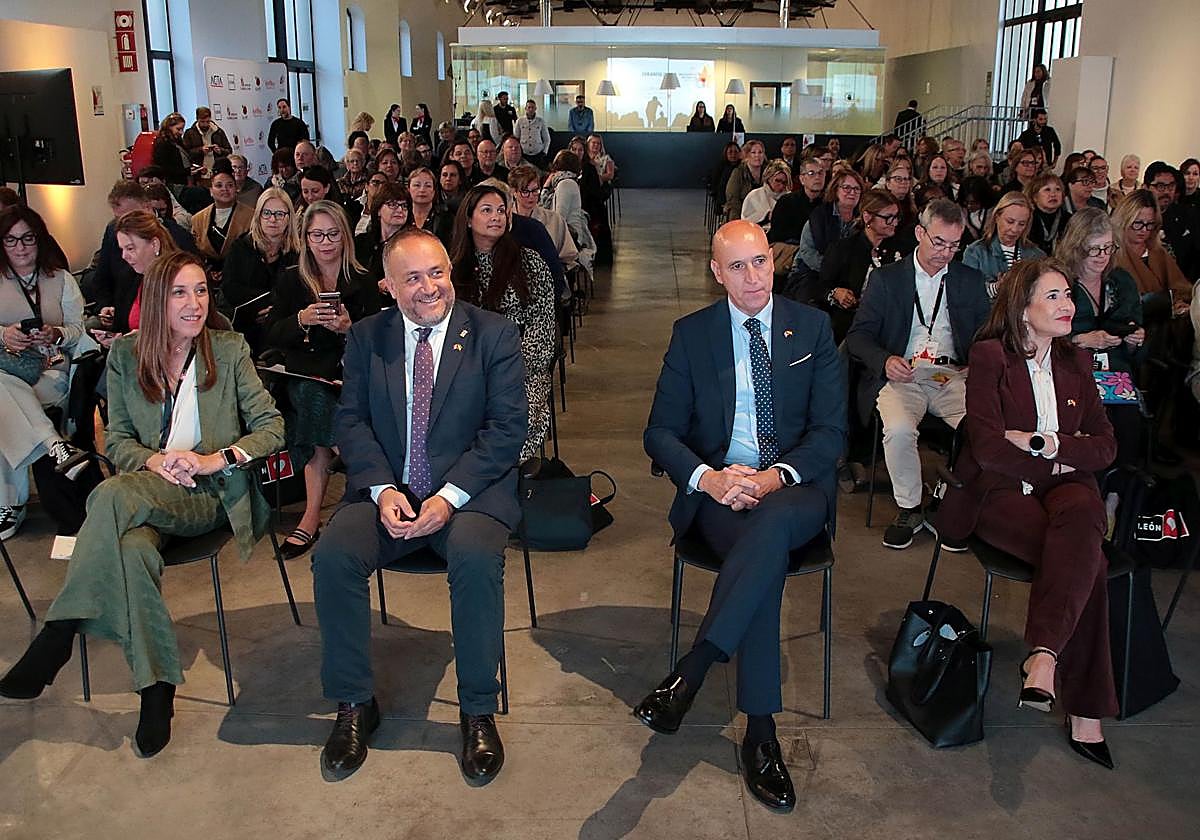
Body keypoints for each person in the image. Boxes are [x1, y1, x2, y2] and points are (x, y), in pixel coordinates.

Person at [0, 250, 284, 757]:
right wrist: (155, 463)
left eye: (200, 290)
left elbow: (272, 427)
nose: (195, 303)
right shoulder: (127, 356)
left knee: (109, 493)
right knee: (131, 550)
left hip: (208, 496)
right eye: (180, 292)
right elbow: (120, 441)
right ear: (157, 300)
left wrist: (213, 460)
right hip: (148, 495)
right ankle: (156, 690)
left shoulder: (230, 348)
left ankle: (59, 633)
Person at [636, 219, 844, 813]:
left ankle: (694, 670)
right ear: (716, 271)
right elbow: (660, 433)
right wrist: (711, 479)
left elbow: (832, 433)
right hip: (720, 492)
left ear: (772, 262)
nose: (752, 277)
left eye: (760, 262)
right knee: (764, 558)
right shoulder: (692, 335)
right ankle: (761, 732)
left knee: (771, 525)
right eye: (737, 266)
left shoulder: (812, 328)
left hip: (795, 487)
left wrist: (775, 477)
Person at [311, 226, 527, 783]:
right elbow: (351, 421)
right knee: (333, 554)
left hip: (469, 492)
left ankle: (477, 710)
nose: (430, 287)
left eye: (437, 272)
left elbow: (507, 431)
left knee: (477, 560)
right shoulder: (366, 337)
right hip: (390, 490)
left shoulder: (493, 334)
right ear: (387, 286)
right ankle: (355, 702)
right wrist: (383, 491)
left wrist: (449, 498)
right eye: (412, 278)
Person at [934, 256, 1120, 769]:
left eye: (1068, 295)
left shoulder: (1076, 362)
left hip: (1061, 489)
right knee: (1092, 564)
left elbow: (1105, 448)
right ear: (1023, 308)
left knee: (1082, 519)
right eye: (1054, 296)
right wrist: (1062, 459)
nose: (1068, 305)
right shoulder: (992, 356)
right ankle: (1084, 709)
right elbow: (989, 449)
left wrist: (1044, 443)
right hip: (998, 493)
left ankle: (1043, 656)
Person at [845, 199, 991, 549]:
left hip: (952, 375)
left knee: (982, 430)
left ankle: (948, 499)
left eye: (955, 246)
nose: (946, 253)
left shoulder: (969, 280)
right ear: (919, 233)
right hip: (903, 374)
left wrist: (977, 360)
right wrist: (884, 361)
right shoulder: (887, 280)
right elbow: (857, 336)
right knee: (897, 429)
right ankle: (909, 507)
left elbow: (988, 334)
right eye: (939, 242)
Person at [266, 200, 381, 559]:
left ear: (345, 236)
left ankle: (311, 517)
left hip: (350, 374)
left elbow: (380, 338)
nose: (326, 242)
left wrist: (349, 329)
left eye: (333, 234)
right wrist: (302, 319)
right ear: (305, 238)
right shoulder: (290, 279)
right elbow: (270, 335)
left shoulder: (362, 278)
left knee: (322, 409)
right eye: (317, 235)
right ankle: (351, 460)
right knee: (313, 396)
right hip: (304, 373)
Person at [0, 206, 94, 539]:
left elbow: (78, 330)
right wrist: (4, 335)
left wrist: (55, 333)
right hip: (9, 371)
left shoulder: (61, 280)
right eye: (11, 240)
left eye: (27, 239)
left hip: (51, 370)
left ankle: (9, 503)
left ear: (39, 240)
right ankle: (55, 444)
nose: (20, 248)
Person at [451, 186, 556, 459]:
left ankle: (496, 488)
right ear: (469, 219)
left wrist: (505, 369)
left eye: (501, 210)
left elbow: (542, 329)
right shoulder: (451, 269)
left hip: (521, 370)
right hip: (467, 370)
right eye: (487, 210)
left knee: (510, 426)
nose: (496, 217)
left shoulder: (530, 263)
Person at [1058, 208, 1145, 467]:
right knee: (1091, 422)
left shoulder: (1122, 281)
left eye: (1108, 248)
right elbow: (1039, 336)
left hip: (1116, 373)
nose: (1103, 257)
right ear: (1076, 246)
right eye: (1094, 249)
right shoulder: (1060, 281)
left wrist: (1135, 341)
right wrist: (1080, 340)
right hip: (1071, 370)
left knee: (1129, 423)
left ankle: (1118, 491)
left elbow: (1140, 351)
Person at [93, 182, 194, 335]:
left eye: (128, 216)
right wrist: (106, 306)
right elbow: (102, 277)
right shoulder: (114, 232)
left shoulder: (180, 240)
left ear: (147, 207)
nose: (121, 224)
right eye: (117, 218)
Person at [813, 189, 905, 344]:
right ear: (868, 217)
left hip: (890, 322)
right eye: (888, 218)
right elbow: (819, 287)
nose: (894, 223)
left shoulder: (901, 248)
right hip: (851, 322)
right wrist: (835, 293)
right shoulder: (843, 249)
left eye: (896, 217)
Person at [219, 187, 300, 355]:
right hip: (243, 322)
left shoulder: (297, 254)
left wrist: (275, 311)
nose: (272, 219)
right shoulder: (241, 247)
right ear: (258, 216)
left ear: (289, 218)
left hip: (282, 324)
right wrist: (263, 306)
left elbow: (298, 292)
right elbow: (230, 288)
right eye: (267, 213)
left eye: (279, 214)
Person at [962, 191, 1046, 298]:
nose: (1015, 229)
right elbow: (967, 292)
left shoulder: (1037, 255)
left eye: (1021, 224)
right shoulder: (975, 252)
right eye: (1010, 221)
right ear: (997, 217)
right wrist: (997, 288)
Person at [509, 164, 584, 277]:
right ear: (514, 192)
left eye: (535, 190)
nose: (531, 196)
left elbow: (569, 256)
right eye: (525, 191)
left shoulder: (555, 219)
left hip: (548, 277)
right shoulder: (504, 220)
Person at [792, 167, 865, 281]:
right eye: (846, 188)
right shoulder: (820, 216)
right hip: (813, 272)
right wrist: (832, 270)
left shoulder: (864, 218)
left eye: (857, 189)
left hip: (849, 274)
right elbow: (807, 251)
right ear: (836, 190)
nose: (852, 192)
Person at [190, 163, 254, 277]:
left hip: (242, 275)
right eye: (219, 185)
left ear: (236, 189)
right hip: (207, 277)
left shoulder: (251, 216)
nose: (225, 189)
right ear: (211, 190)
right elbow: (196, 254)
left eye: (229, 185)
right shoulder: (197, 220)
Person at [1145, 161, 1200, 281]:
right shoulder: (1136, 217)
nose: (1166, 191)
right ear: (1146, 187)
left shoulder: (1187, 216)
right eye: (1160, 186)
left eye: (1171, 186)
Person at [354, 181, 411, 293]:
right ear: (379, 209)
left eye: (404, 206)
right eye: (393, 205)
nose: (400, 210)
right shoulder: (361, 242)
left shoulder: (411, 244)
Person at [767, 158, 825, 268]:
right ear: (802, 179)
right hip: (791, 253)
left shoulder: (829, 205)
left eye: (821, 173)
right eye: (811, 173)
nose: (817, 177)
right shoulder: (787, 202)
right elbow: (778, 235)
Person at [407, 166, 453, 248]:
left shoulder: (446, 218)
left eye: (428, 186)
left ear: (434, 191)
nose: (422, 190)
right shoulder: (401, 215)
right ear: (408, 189)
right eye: (417, 185)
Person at [1025, 172, 1070, 255]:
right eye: (1047, 189)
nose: (1053, 194)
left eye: (1058, 189)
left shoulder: (1070, 220)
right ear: (1035, 197)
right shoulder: (1027, 219)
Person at [740, 160, 791, 232]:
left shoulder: (790, 197)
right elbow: (745, 224)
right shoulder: (754, 196)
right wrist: (766, 217)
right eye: (777, 180)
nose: (781, 185)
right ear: (768, 178)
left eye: (784, 182)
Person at [182, 107, 232, 175]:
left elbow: (229, 150)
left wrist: (220, 150)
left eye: (208, 121)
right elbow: (185, 154)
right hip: (199, 173)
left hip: (217, 171)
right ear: (197, 119)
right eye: (202, 122)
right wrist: (201, 150)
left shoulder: (218, 132)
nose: (205, 124)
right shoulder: (189, 133)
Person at [725, 140, 766, 220]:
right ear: (747, 155)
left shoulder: (768, 171)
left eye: (760, 152)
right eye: (753, 152)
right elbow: (733, 199)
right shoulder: (738, 173)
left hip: (764, 213)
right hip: (741, 213)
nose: (757, 155)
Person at [151, 113, 192, 186]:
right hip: (172, 182)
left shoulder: (178, 141)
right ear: (169, 127)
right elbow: (163, 168)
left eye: (182, 129)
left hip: (182, 181)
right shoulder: (163, 143)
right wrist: (187, 171)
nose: (181, 132)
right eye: (178, 129)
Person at [514, 100, 551, 168]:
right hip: (524, 154)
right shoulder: (519, 121)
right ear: (525, 108)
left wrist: (544, 152)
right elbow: (516, 138)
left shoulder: (541, 121)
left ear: (535, 109)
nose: (531, 109)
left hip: (538, 154)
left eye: (533, 107)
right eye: (529, 107)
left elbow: (547, 139)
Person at [711, 142, 742, 216]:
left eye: (736, 152)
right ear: (726, 154)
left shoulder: (742, 167)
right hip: (724, 200)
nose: (733, 155)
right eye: (730, 152)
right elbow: (718, 187)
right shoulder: (721, 168)